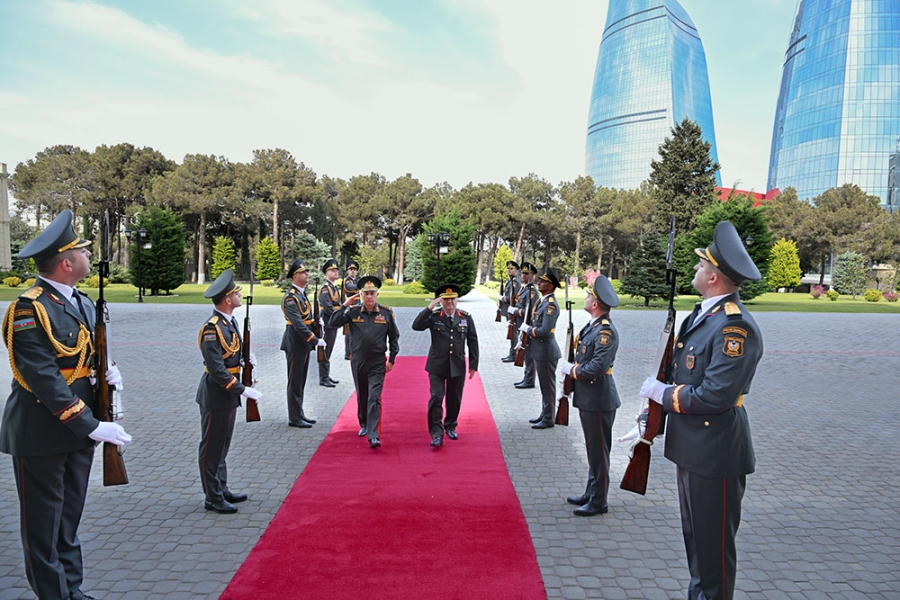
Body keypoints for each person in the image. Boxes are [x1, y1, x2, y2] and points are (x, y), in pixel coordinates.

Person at [0, 209, 132, 600]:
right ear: (66, 263)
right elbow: (43, 377)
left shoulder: (83, 303)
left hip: (80, 428)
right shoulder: (29, 309)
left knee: (68, 518)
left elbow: (86, 358)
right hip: (42, 431)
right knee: (43, 526)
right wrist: (91, 425)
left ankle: (72, 589)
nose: (89, 256)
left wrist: (108, 372)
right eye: (83, 251)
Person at [639, 221, 763, 600]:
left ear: (713, 277)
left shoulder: (734, 329)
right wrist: (653, 419)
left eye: (701, 264)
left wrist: (664, 395)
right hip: (692, 448)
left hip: (715, 452)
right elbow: (683, 373)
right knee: (697, 543)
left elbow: (714, 396)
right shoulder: (703, 317)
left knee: (713, 553)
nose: (695, 268)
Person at [196, 269, 262, 514]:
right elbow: (216, 369)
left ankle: (221, 488)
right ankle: (212, 497)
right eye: (236, 293)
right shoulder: (211, 328)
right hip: (216, 394)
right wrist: (242, 389)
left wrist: (245, 361)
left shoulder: (230, 322)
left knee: (222, 445)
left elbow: (230, 355)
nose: (239, 296)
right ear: (227, 299)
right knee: (211, 448)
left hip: (228, 394)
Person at [559, 275, 620, 517]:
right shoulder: (592, 327)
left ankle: (599, 501)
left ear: (595, 304)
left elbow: (596, 367)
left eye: (588, 295)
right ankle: (591, 491)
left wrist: (571, 370)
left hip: (599, 399)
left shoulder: (605, 332)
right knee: (593, 449)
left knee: (599, 452)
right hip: (590, 398)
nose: (585, 298)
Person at [329, 276, 399, 448]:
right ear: (360, 295)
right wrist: (344, 305)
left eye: (372, 293)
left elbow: (394, 338)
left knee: (374, 396)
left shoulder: (385, 313)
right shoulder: (353, 311)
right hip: (358, 360)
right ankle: (364, 423)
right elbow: (332, 322)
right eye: (366, 293)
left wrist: (392, 359)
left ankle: (373, 435)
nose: (369, 297)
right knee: (362, 394)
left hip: (377, 361)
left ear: (377, 295)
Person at [411, 284, 479, 447]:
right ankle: (436, 433)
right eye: (446, 299)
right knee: (436, 397)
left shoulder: (465, 317)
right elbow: (416, 326)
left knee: (454, 398)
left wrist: (473, 364)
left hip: (457, 363)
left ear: (457, 300)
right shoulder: (434, 316)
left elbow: (473, 341)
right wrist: (429, 308)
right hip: (437, 364)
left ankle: (451, 425)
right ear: (441, 301)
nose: (450, 302)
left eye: (453, 299)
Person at [281, 259, 327, 428]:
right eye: (302, 272)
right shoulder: (290, 298)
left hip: (303, 344)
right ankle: (294, 417)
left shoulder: (301, 294)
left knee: (300, 381)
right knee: (295, 382)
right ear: (295, 277)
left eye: (306, 271)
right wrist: (314, 340)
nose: (307, 274)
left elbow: (306, 318)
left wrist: (316, 324)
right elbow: (298, 324)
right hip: (295, 343)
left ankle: (299, 413)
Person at [521, 266, 562, 429]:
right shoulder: (542, 302)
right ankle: (545, 414)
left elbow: (544, 330)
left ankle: (548, 418)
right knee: (544, 387)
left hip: (546, 351)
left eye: (542, 282)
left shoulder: (551, 305)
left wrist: (528, 330)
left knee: (548, 387)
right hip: (540, 350)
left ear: (550, 286)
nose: (538, 283)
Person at [511, 262, 539, 388]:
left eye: (526, 274)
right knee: (526, 352)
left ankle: (529, 379)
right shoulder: (524, 289)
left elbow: (530, 311)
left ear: (532, 276)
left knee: (529, 354)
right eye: (522, 273)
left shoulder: (532, 291)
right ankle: (526, 377)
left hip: (527, 325)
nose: (523, 276)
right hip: (521, 324)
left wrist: (515, 311)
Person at [317, 258, 341, 387]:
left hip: (333, 322)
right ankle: (323, 378)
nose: (335, 272)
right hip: (327, 322)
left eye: (336, 270)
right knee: (325, 350)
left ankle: (326, 375)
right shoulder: (325, 288)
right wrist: (340, 315)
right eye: (332, 270)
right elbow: (328, 308)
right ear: (327, 273)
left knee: (329, 349)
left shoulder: (333, 287)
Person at [499, 260, 521, 362]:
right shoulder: (510, 281)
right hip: (509, 310)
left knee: (513, 333)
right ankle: (512, 353)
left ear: (516, 270)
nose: (509, 270)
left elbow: (513, 297)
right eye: (508, 268)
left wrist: (502, 298)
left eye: (511, 268)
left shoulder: (516, 282)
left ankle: (514, 354)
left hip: (513, 310)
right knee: (512, 333)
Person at [342, 260, 359, 360]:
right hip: (350, 307)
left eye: (354, 269)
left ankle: (354, 350)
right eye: (351, 269)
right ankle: (348, 353)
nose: (352, 271)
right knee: (349, 332)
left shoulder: (356, 281)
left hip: (357, 306)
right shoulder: (347, 281)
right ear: (347, 271)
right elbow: (351, 288)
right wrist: (362, 286)